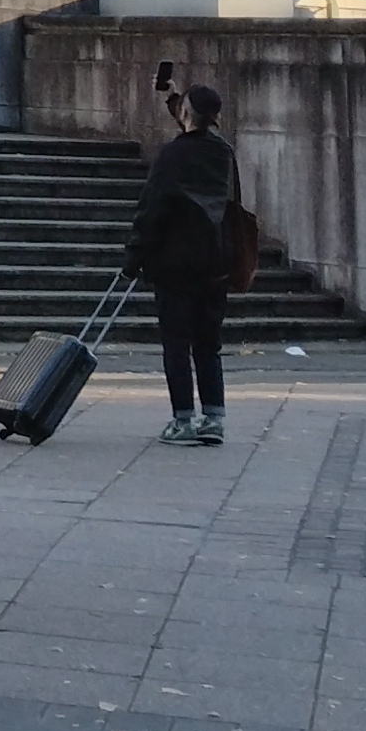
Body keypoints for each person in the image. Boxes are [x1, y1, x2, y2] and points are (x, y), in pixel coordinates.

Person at [130, 60, 241, 447]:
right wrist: (173, 96)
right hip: (216, 261)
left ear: (189, 115)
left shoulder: (173, 155)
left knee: (176, 342)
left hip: (175, 262)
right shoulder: (223, 152)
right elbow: (195, 129)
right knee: (208, 343)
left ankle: (182, 420)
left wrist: (134, 256)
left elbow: (152, 208)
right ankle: (214, 418)